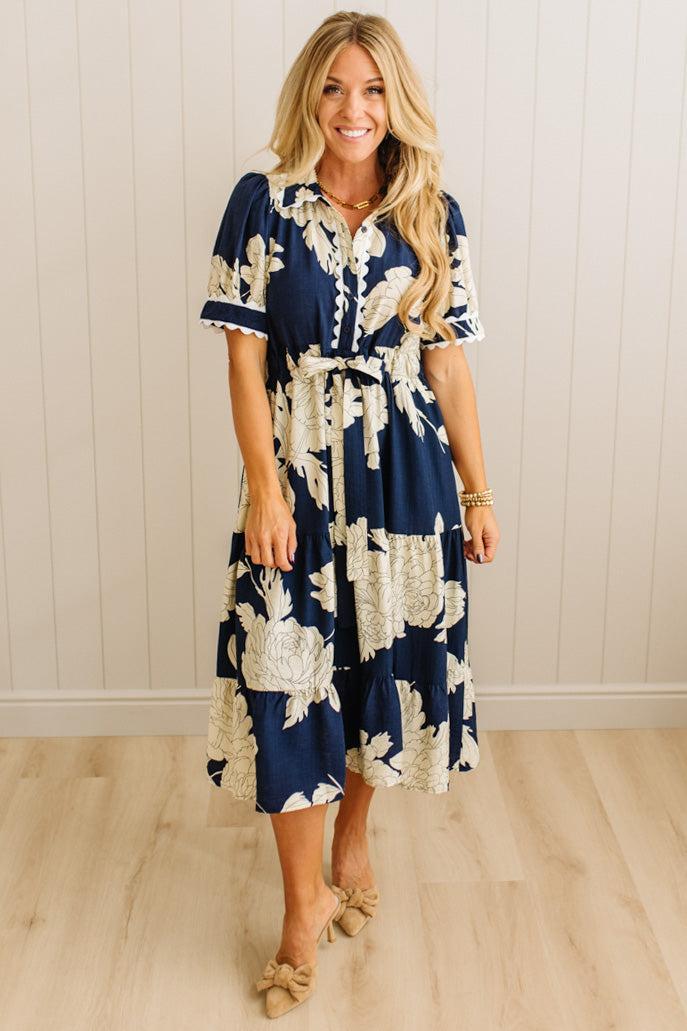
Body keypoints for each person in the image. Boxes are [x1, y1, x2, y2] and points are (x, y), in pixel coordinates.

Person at [198, 10, 500, 1019]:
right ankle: (301, 907)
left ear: (396, 102)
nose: (353, 108)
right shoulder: (262, 204)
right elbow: (243, 359)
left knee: (381, 667)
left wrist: (477, 489)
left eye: (372, 89)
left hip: (406, 477)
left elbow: (447, 365)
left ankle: (354, 834)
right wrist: (265, 486)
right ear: (308, 98)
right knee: (285, 679)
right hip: (296, 470)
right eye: (333, 87)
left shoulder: (434, 214)